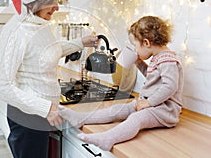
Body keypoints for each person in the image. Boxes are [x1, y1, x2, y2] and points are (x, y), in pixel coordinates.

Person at [0, 0, 99, 158]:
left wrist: (80, 42)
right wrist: (46, 108)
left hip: (42, 113)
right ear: (36, 1)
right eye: (53, 2)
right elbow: (1, 85)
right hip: (27, 116)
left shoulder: (42, 24)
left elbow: (49, 51)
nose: (57, 7)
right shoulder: (17, 32)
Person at [59, 16, 184, 151]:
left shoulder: (168, 61)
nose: (135, 50)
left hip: (165, 110)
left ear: (146, 42)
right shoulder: (159, 58)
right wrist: (139, 63)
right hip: (152, 104)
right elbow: (153, 77)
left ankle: (107, 139)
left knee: (136, 119)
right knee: (117, 109)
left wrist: (149, 102)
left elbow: (170, 87)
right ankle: (81, 118)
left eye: (136, 45)